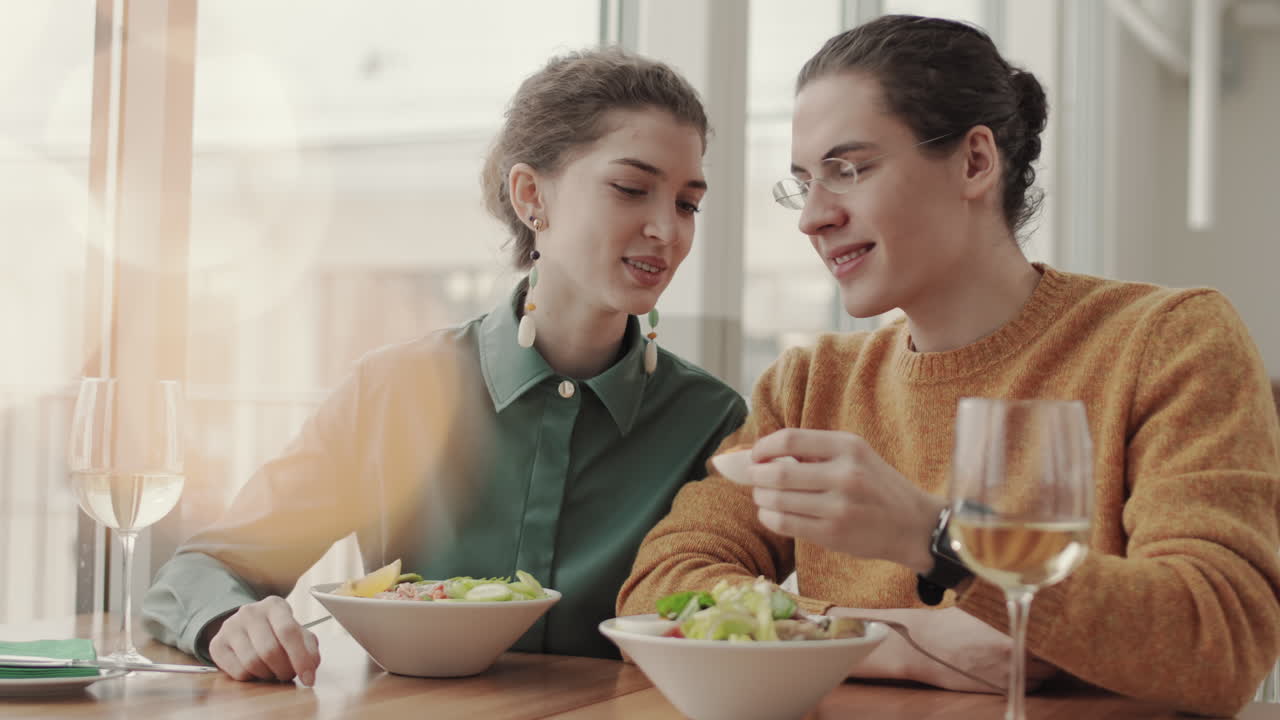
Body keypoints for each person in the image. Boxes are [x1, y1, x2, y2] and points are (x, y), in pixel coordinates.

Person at [618, 15, 1280, 717]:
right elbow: (661, 589)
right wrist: (907, 639)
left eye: (849, 170)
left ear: (974, 162)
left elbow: (1221, 642)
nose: (813, 216)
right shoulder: (811, 383)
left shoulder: (1168, 342)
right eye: (804, 182)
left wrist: (937, 539)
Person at [143, 48, 747, 686]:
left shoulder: (711, 422)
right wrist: (228, 622)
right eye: (632, 189)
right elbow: (202, 569)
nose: (667, 230)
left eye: (688, 204)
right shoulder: (393, 391)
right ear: (531, 195)